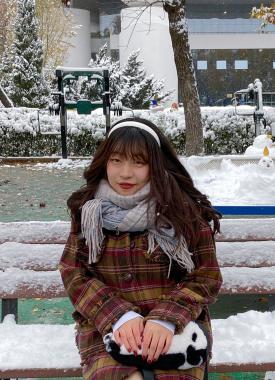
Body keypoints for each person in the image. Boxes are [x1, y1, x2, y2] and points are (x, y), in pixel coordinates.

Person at [59, 117, 223, 380]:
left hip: (177, 327)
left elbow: (206, 276)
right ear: (104, 162)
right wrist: (119, 316)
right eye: (116, 160)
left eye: (139, 161)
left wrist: (165, 319)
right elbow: (74, 273)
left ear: (155, 165)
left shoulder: (183, 212)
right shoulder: (88, 213)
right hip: (109, 327)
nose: (126, 173)